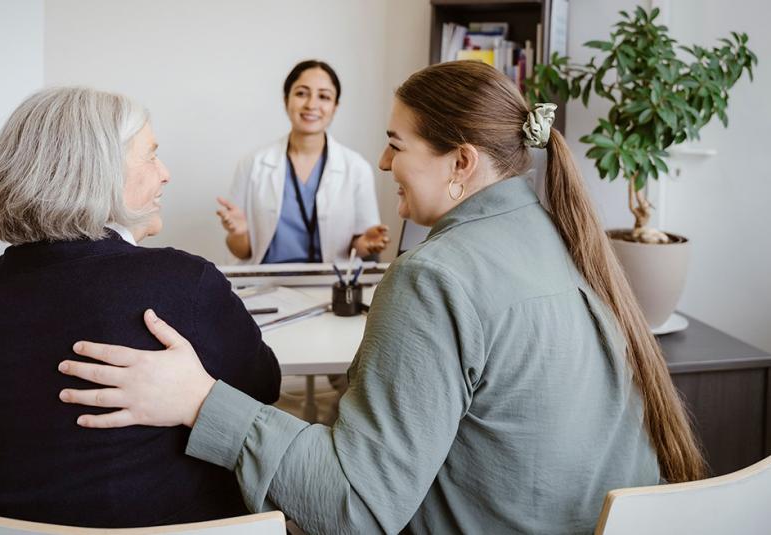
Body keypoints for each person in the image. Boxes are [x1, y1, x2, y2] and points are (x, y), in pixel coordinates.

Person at [56, 62, 705, 533]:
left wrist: (201, 402)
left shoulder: (435, 277)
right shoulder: (567, 242)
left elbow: (357, 506)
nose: (384, 162)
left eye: (396, 145)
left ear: (462, 163)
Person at [0, 87, 281, 528]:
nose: (165, 174)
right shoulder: (183, 282)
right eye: (151, 155)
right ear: (100, 171)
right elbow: (264, 387)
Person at [216, 59, 390, 263]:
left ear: (335, 107)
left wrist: (366, 244)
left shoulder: (357, 168)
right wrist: (238, 233)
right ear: (286, 100)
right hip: (267, 280)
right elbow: (242, 252)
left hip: (331, 280)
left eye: (324, 96)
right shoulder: (252, 164)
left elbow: (358, 245)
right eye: (301, 93)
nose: (311, 105)